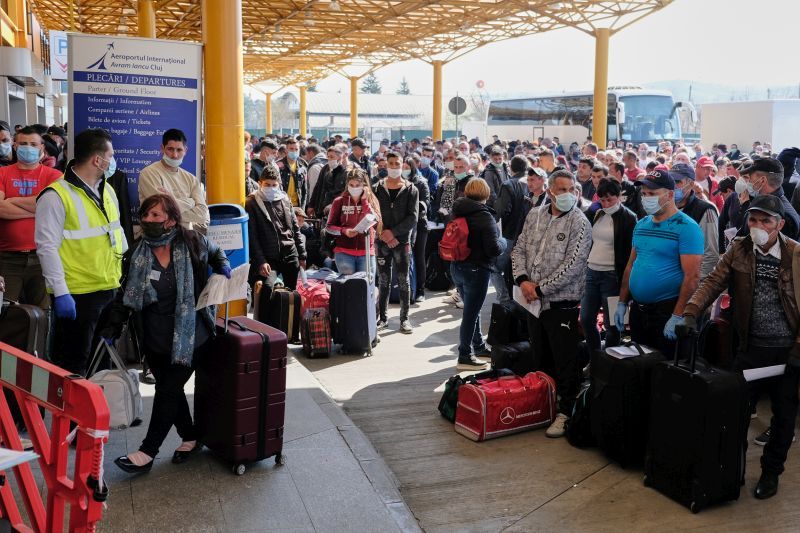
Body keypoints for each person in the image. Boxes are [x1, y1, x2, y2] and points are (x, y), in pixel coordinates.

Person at [682, 194, 800, 500]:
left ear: (780, 224)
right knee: (733, 412)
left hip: (788, 354)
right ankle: (729, 470)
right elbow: (712, 282)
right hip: (751, 350)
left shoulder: (796, 255)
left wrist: (798, 351)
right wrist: (691, 312)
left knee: (784, 417)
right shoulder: (739, 249)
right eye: (753, 219)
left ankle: (771, 472)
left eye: (765, 221)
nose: (758, 226)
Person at [106, 193, 230, 474]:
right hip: (155, 338)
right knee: (169, 391)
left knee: (168, 390)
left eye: (155, 216)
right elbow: (126, 294)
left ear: (171, 220)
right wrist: (112, 326)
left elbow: (217, 253)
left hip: (192, 335)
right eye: (146, 215)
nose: (148, 220)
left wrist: (222, 268)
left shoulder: (192, 241)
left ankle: (147, 451)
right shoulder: (136, 252)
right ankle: (191, 437)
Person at [35, 128, 127, 376]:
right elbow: (46, 248)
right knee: (73, 367)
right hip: (76, 296)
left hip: (108, 288)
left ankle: (96, 415)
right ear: (98, 160)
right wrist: (61, 292)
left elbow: (114, 236)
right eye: (111, 155)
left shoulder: (107, 190)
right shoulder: (56, 196)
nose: (112, 161)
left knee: (101, 366)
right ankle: (72, 417)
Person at [512, 168, 592, 438]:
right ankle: (543, 404)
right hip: (531, 301)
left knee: (566, 361)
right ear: (550, 192)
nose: (568, 194)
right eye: (561, 189)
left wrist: (541, 288)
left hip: (561, 302)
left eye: (572, 189)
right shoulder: (535, 215)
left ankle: (566, 412)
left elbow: (573, 264)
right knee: (540, 356)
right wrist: (523, 280)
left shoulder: (579, 222)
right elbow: (519, 248)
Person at [615, 170, 703, 355]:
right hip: (639, 311)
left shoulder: (687, 228)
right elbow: (631, 265)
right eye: (644, 194)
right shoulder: (642, 224)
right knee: (639, 364)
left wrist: (677, 315)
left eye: (652, 194)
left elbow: (692, 276)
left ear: (670, 195)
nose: (646, 198)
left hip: (666, 310)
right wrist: (622, 302)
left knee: (664, 368)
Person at [0, 126, 62, 309]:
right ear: (15, 145)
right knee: (6, 313)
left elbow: (54, 207)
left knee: (43, 315)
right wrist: (39, 207)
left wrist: (11, 201)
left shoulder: (55, 175)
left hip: (43, 257)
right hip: (7, 258)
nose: (28, 147)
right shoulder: (2, 173)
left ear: (42, 148)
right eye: (23, 143)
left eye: (33, 144)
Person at [451, 178, 506, 370]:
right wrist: (504, 242)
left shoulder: (457, 210)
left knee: (470, 310)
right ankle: (465, 355)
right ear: (486, 194)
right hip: (476, 269)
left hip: (457, 266)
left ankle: (479, 346)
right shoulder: (484, 216)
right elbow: (493, 249)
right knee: (471, 313)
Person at [579, 178, 636, 351]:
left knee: (612, 325)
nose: (605, 203)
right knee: (587, 319)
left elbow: (630, 254)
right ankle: (595, 355)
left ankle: (610, 358)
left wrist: (626, 287)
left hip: (612, 276)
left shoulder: (629, 218)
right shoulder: (597, 213)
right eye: (602, 199)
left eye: (609, 199)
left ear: (619, 197)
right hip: (591, 271)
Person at [374, 151, 418, 333]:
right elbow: (373, 213)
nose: (393, 167)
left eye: (396, 163)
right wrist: (383, 233)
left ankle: (404, 319)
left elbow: (413, 217)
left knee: (403, 281)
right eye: (390, 163)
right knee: (383, 280)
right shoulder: (376, 188)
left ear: (402, 164)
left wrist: (394, 233)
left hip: (402, 242)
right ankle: (382, 318)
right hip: (382, 241)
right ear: (386, 165)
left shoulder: (411, 189)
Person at [245, 163, 307, 291]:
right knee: (266, 288)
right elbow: (252, 236)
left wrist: (302, 255)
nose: (271, 188)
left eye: (274, 185)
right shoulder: (252, 203)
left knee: (291, 292)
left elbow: (295, 229)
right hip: (268, 257)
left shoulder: (284, 199)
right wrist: (261, 261)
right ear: (260, 183)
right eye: (267, 185)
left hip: (290, 253)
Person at [138, 128, 209, 233]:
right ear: (162, 148)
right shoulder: (148, 174)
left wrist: (171, 202)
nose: (175, 155)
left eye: (179, 150)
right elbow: (160, 211)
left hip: (186, 239)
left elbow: (202, 215)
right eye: (170, 149)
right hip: (157, 239)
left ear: (185, 151)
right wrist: (190, 202)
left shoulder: (191, 179)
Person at [325, 168, 379, 275]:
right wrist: (345, 231)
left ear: (364, 185)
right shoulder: (339, 201)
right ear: (347, 184)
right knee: (348, 288)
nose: (354, 188)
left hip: (367, 252)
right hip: (344, 252)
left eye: (357, 185)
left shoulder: (371, 200)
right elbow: (329, 227)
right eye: (351, 185)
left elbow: (377, 222)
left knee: (366, 288)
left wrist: (364, 201)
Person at [491, 154, 529, 305]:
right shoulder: (532, 183)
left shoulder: (508, 185)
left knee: (493, 267)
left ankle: (504, 300)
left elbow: (500, 210)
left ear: (511, 167)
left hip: (511, 235)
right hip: (528, 237)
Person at [671, 164, 719, 279]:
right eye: (670, 181)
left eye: (677, 182)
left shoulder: (705, 210)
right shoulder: (664, 207)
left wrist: (695, 284)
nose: (672, 186)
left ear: (691, 184)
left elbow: (710, 255)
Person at [405, 157, 430, 303]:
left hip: (419, 225)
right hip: (402, 226)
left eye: (406, 167)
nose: (403, 170)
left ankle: (420, 289)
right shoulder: (395, 183)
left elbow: (426, 203)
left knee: (419, 257)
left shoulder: (421, 182)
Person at [308, 144, 346, 218]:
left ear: (340, 157)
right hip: (321, 208)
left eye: (332, 157)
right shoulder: (325, 168)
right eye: (328, 157)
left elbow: (344, 193)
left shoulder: (345, 173)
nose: (329, 159)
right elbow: (318, 187)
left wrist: (333, 204)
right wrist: (311, 205)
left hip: (336, 211)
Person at [276, 137, 307, 209]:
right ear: (286, 150)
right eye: (291, 149)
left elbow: (304, 190)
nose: (294, 151)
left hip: (297, 205)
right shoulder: (278, 166)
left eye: (296, 149)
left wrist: (302, 208)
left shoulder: (303, 166)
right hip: (282, 205)